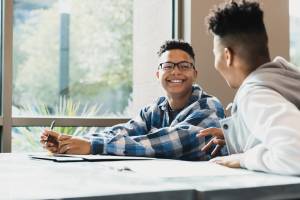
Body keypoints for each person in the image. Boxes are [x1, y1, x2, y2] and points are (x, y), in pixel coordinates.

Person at [41, 40, 225, 160]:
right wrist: (72, 142)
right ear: (158, 74)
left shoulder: (208, 106)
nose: (176, 71)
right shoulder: (154, 110)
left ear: (195, 74)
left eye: (184, 66)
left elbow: (173, 143)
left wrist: (92, 145)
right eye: (168, 66)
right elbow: (123, 131)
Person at [198, 0, 300, 175]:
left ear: (228, 56)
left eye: (216, 54)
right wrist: (239, 135)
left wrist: (243, 158)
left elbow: (295, 154)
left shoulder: (253, 93)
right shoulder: (286, 78)